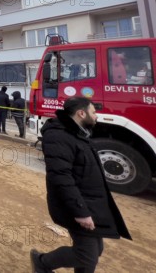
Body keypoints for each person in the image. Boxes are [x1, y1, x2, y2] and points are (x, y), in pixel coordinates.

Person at [31, 97, 131, 273]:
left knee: (94, 251)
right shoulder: (59, 136)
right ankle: (42, 262)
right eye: (93, 112)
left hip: (89, 203)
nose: (96, 116)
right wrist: (80, 211)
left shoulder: (79, 132)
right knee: (87, 255)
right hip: (76, 205)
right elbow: (61, 177)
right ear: (81, 113)